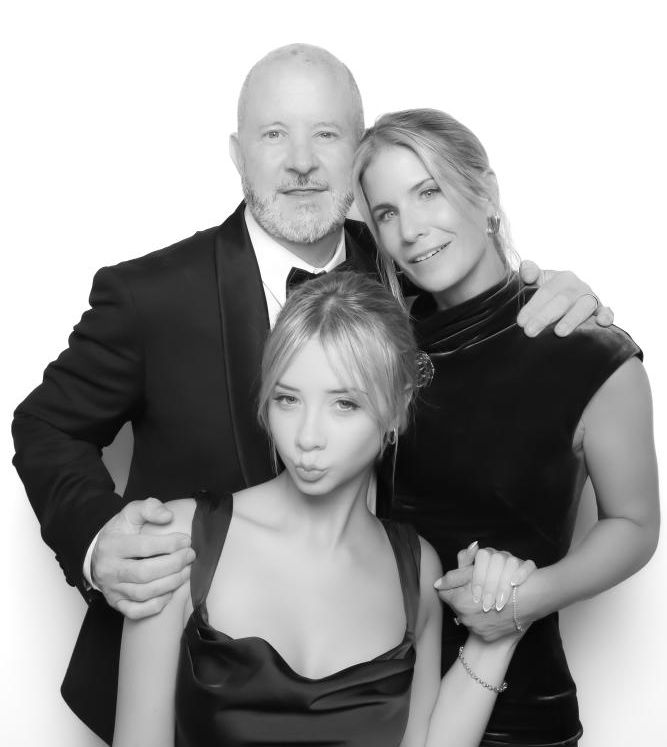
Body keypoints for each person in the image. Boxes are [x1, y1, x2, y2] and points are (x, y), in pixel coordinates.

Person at [12, 44, 609, 744]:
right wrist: (96, 543)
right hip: (185, 687)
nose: (300, 161)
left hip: (382, 683)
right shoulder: (151, 296)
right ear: (237, 153)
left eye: (325, 134)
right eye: (274, 134)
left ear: (357, 154)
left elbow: (492, 320)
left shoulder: (412, 273)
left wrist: (555, 300)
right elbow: (46, 426)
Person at [113, 271, 533, 747]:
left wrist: (496, 640)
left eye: (344, 404)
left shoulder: (416, 568)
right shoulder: (179, 539)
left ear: (398, 408)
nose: (307, 437)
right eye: (287, 399)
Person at [352, 108, 660, 747]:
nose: (410, 229)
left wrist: (523, 602)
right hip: (370, 703)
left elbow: (634, 525)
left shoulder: (589, 350)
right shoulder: (376, 346)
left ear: (485, 192)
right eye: (386, 213)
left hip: (515, 714)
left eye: (429, 191)